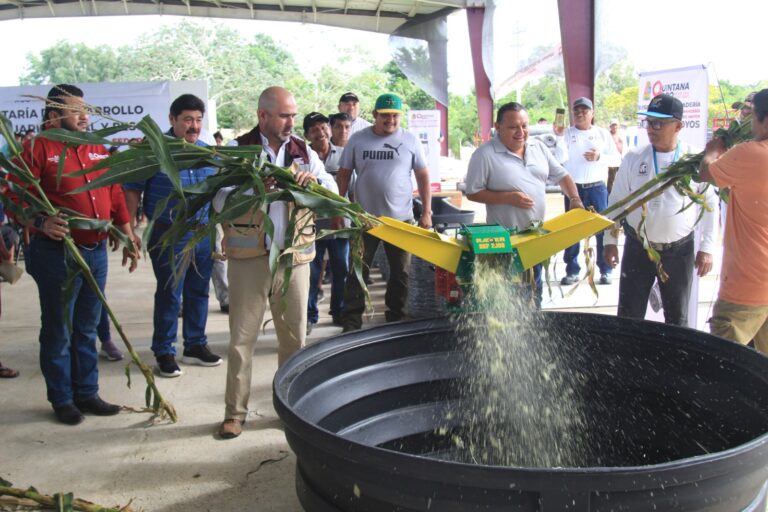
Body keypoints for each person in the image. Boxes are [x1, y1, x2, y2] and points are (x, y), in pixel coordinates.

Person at [10, 84, 140, 424]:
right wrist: (40, 220)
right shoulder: (37, 148)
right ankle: (62, 398)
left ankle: (87, 393)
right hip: (57, 253)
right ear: (54, 116)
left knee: (86, 327)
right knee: (59, 329)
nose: (85, 116)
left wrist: (126, 232)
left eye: (86, 109)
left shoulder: (96, 146)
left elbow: (113, 190)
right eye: (76, 110)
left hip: (95, 252)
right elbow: (13, 195)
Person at [216, 86, 337, 439]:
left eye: (293, 115)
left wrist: (314, 183)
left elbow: (333, 191)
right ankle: (235, 413)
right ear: (262, 116)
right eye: (284, 116)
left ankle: (289, 409)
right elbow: (218, 201)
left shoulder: (304, 152)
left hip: (293, 259)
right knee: (242, 341)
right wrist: (254, 188)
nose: (291, 122)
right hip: (249, 260)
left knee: (294, 341)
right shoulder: (239, 150)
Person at [124, 94, 222, 378]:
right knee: (170, 293)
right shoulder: (155, 151)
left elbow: (218, 194)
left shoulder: (207, 153)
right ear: (172, 119)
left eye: (198, 120)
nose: (194, 126)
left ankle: (195, 344)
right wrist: (128, 230)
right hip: (169, 234)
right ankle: (164, 350)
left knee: (199, 291)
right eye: (187, 120)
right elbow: (132, 190)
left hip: (202, 233)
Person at [604, 94, 716, 327]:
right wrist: (610, 241)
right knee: (629, 316)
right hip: (638, 248)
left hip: (679, 252)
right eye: (648, 122)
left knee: (677, 319)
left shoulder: (695, 161)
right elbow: (616, 202)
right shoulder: (634, 158)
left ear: (678, 126)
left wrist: (706, 248)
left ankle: (673, 353)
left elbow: (710, 207)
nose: (650, 129)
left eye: (658, 123)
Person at [464, 102, 582, 308]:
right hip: (504, 241)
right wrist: (508, 198)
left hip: (535, 237)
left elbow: (562, 175)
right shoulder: (484, 154)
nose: (520, 132)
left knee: (534, 291)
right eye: (513, 127)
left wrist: (575, 199)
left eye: (524, 126)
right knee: (509, 297)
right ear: (498, 127)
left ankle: (534, 320)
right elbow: (473, 192)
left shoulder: (538, 147)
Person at [334, 93, 432, 331]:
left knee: (401, 273)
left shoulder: (410, 140)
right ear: (375, 115)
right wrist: (338, 209)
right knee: (357, 270)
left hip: (401, 220)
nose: (390, 120)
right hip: (364, 219)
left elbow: (423, 176)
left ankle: (396, 320)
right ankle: (351, 322)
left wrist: (427, 212)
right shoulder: (358, 139)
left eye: (395, 115)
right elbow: (344, 174)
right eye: (385, 115)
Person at [700, 88, 768, 353]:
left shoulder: (751, 153)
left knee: (725, 363)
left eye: (752, 115)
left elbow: (706, 173)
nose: (748, 122)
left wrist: (712, 151)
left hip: (747, 285)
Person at [554, 97, 620, 286]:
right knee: (571, 231)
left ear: (592, 113)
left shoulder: (602, 134)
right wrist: (559, 137)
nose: (580, 114)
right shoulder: (567, 133)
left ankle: (606, 269)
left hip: (597, 188)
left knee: (602, 229)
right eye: (576, 111)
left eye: (584, 110)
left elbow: (617, 159)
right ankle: (572, 270)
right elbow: (560, 159)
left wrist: (600, 157)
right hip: (574, 190)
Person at [303, 112, 349, 332]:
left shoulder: (344, 155)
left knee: (341, 269)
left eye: (323, 128)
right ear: (307, 135)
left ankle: (338, 311)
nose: (320, 133)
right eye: (314, 130)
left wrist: (350, 218)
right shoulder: (301, 157)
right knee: (311, 273)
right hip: (311, 226)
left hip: (340, 224)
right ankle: (309, 316)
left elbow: (351, 190)